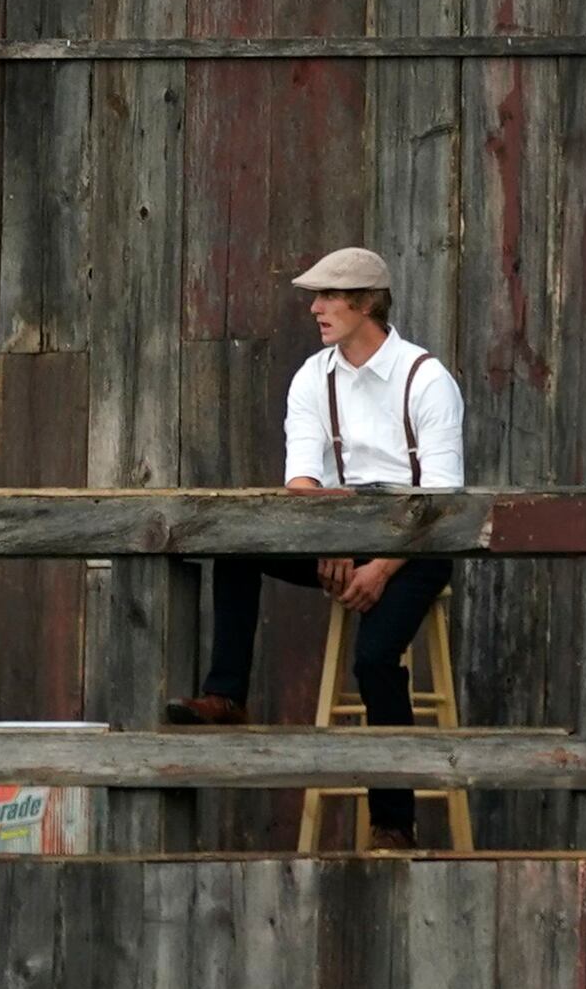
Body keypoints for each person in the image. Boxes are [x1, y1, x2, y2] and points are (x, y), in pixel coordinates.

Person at [166, 245, 470, 848]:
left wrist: (379, 567)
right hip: (335, 525)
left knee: (376, 659)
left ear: (365, 304)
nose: (315, 308)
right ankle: (227, 695)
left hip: (418, 541)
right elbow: (301, 477)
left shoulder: (426, 379)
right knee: (237, 547)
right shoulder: (314, 375)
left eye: (328, 297)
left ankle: (392, 824)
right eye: (317, 297)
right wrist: (328, 537)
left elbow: (441, 504)